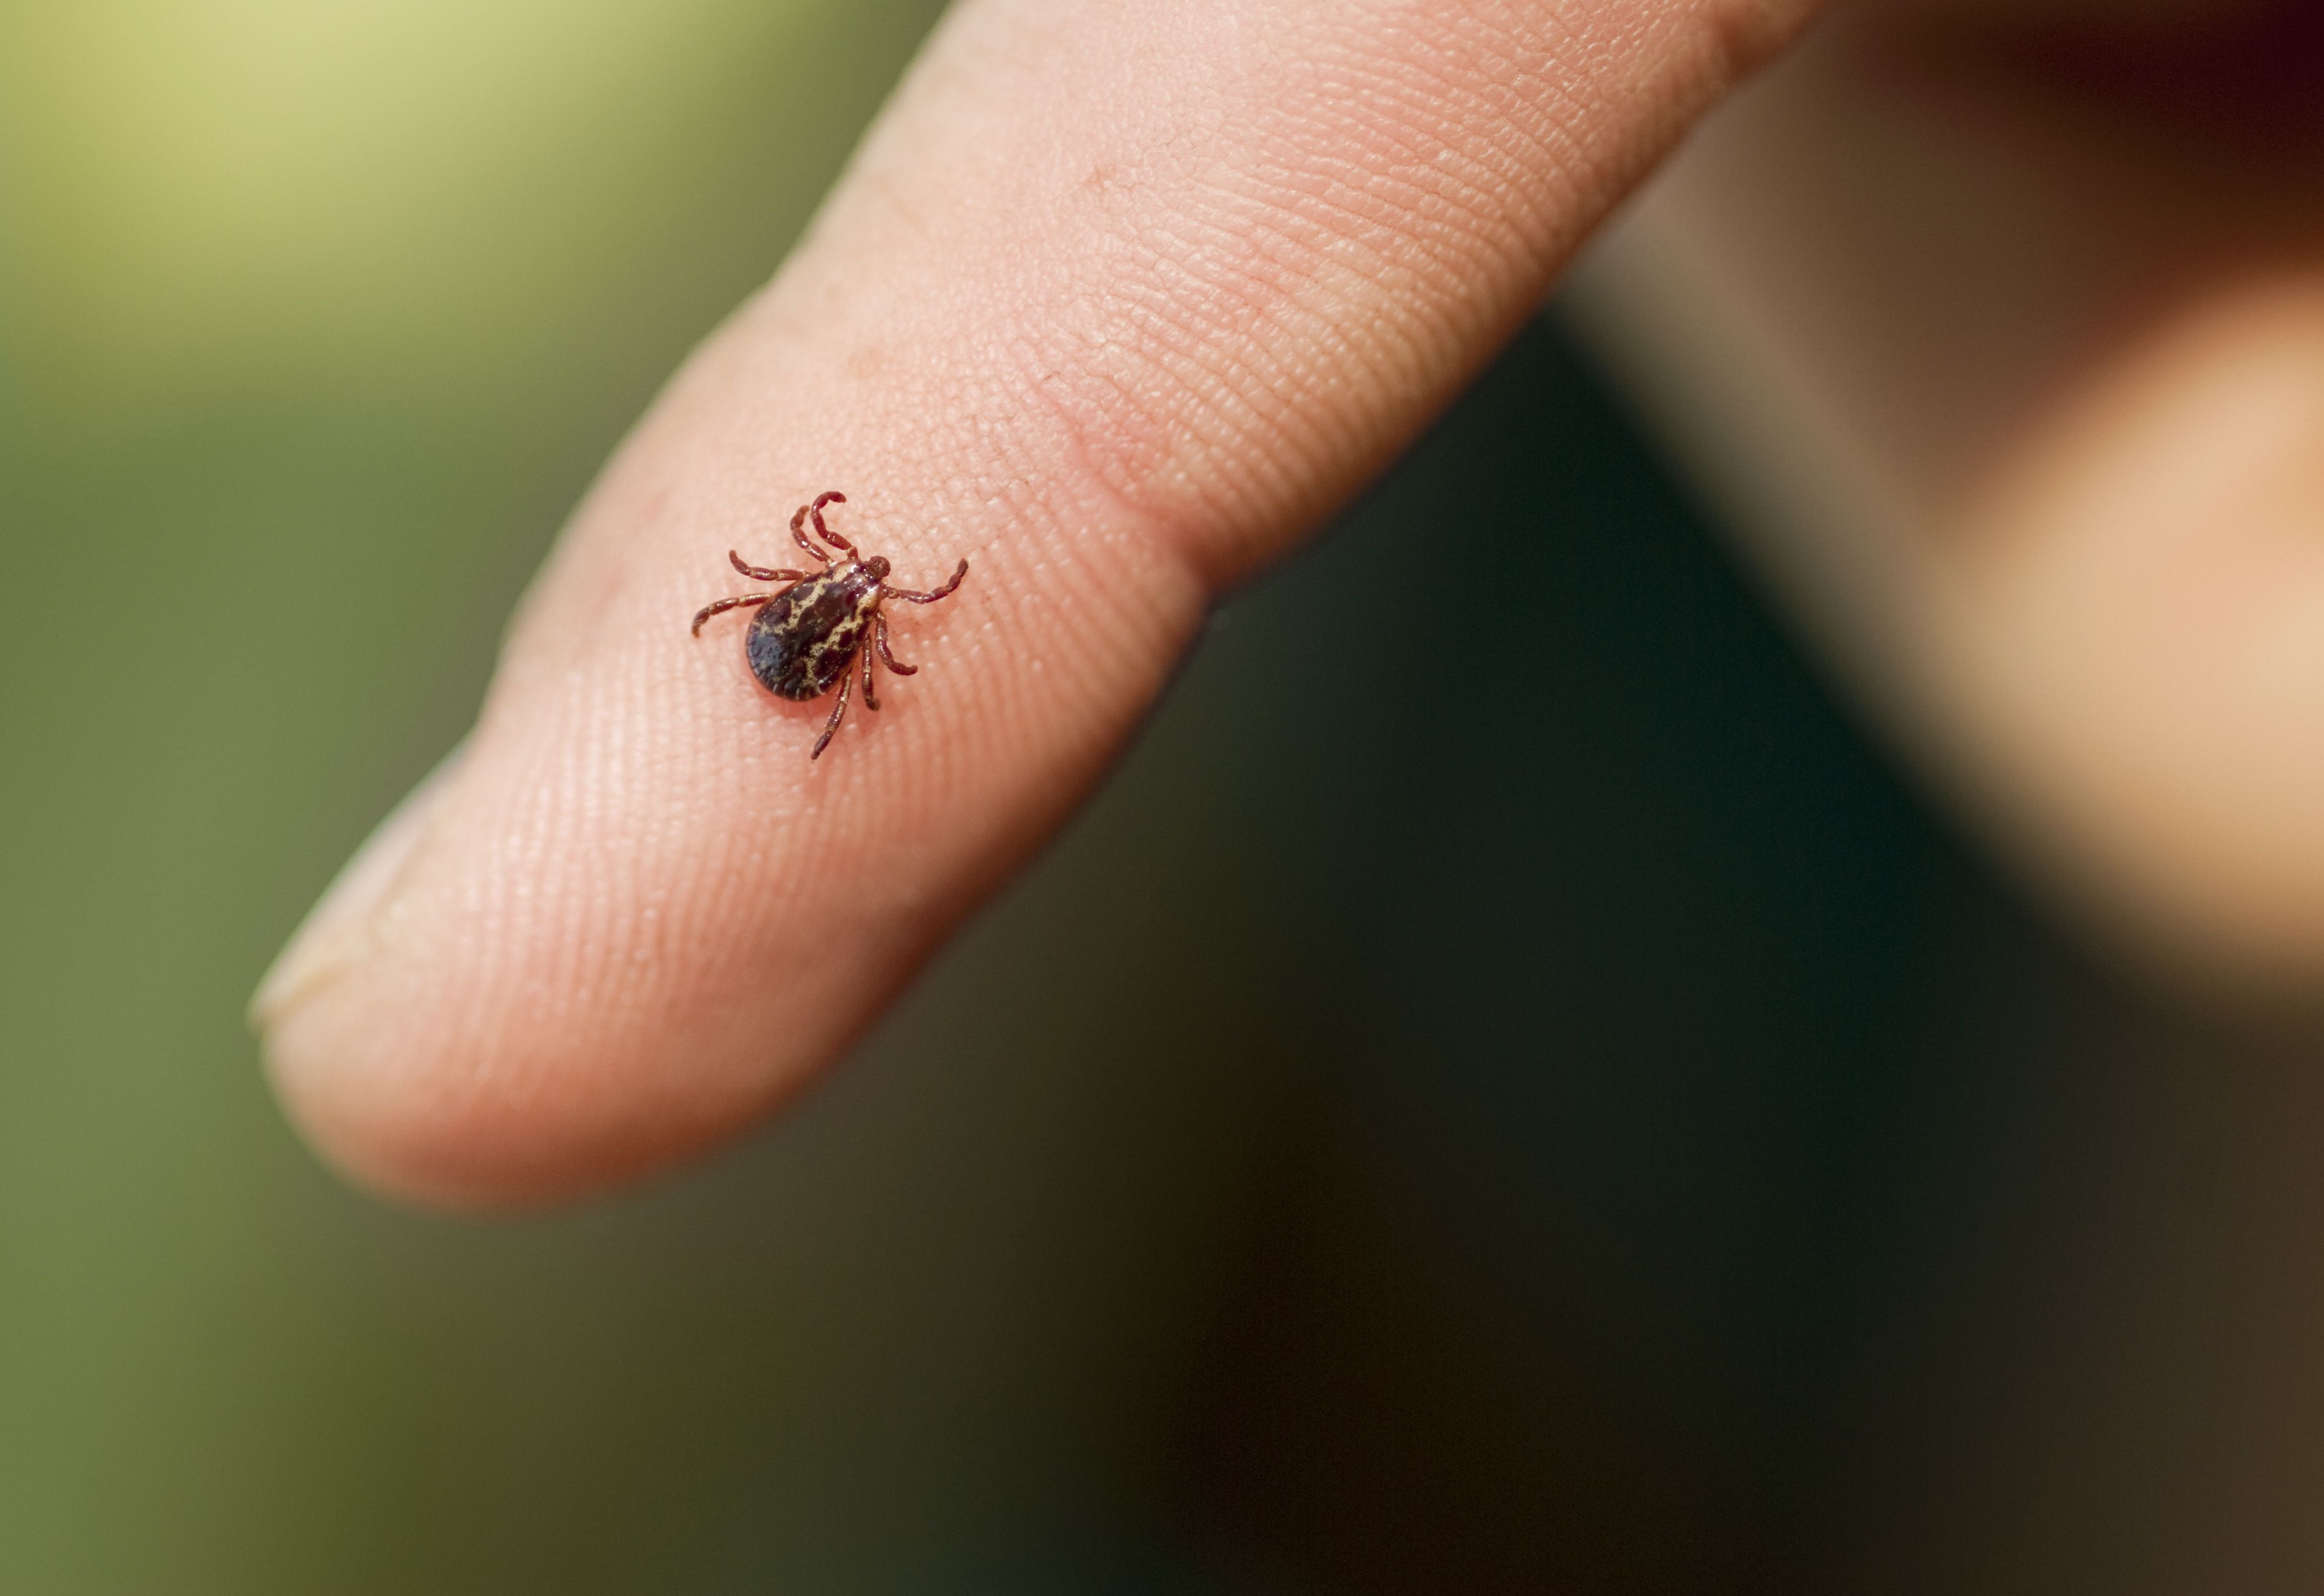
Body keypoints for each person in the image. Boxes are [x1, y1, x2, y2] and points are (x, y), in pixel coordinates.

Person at [251, 0, 2324, 1206]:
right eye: (833, 593)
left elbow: (810, 624)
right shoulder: (851, 606)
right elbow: (836, 627)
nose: (835, 600)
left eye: (832, 592)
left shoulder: (829, 607)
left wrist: (809, 655)